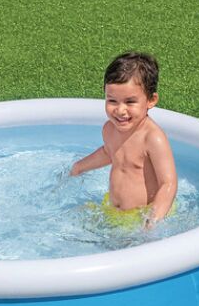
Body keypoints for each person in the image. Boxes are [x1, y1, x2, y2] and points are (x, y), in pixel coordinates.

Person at [70, 52, 177, 230]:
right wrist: (79, 167)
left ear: (151, 100)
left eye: (130, 102)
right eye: (112, 100)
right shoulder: (109, 129)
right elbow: (109, 152)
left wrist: (152, 220)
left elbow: (168, 183)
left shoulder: (152, 138)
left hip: (141, 216)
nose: (120, 110)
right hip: (113, 209)